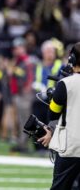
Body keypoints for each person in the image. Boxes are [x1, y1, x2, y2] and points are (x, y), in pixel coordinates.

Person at [38, 42, 80, 190]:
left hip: (70, 147)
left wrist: (55, 96)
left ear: (73, 59)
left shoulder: (65, 84)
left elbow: (53, 113)